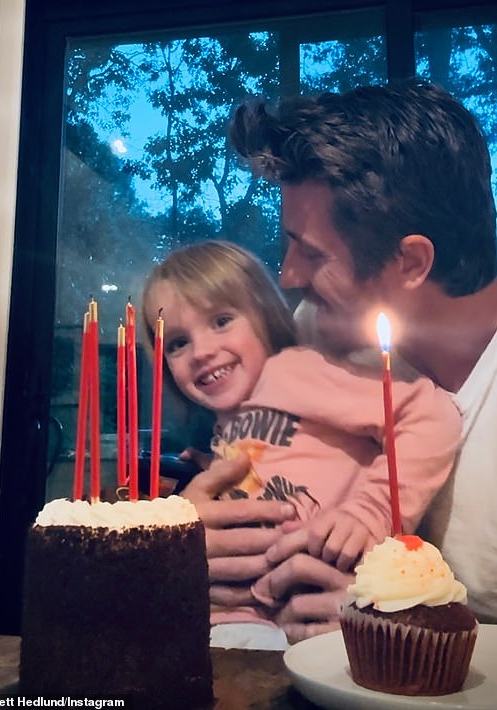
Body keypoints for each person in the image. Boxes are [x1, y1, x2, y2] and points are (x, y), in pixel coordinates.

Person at [183, 78, 497, 642]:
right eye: (289, 244)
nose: (288, 278)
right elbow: (245, 453)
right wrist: (186, 540)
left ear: (411, 261)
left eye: (313, 253)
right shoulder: (311, 335)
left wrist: (408, 630)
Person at [142, 239, 462, 649]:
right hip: (255, 615)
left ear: (264, 314)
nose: (201, 352)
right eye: (178, 343)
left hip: (334, 607)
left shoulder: (294, 371)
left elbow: (430, 413)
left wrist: (373, 510)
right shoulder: (225, 423)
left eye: (221, 321)